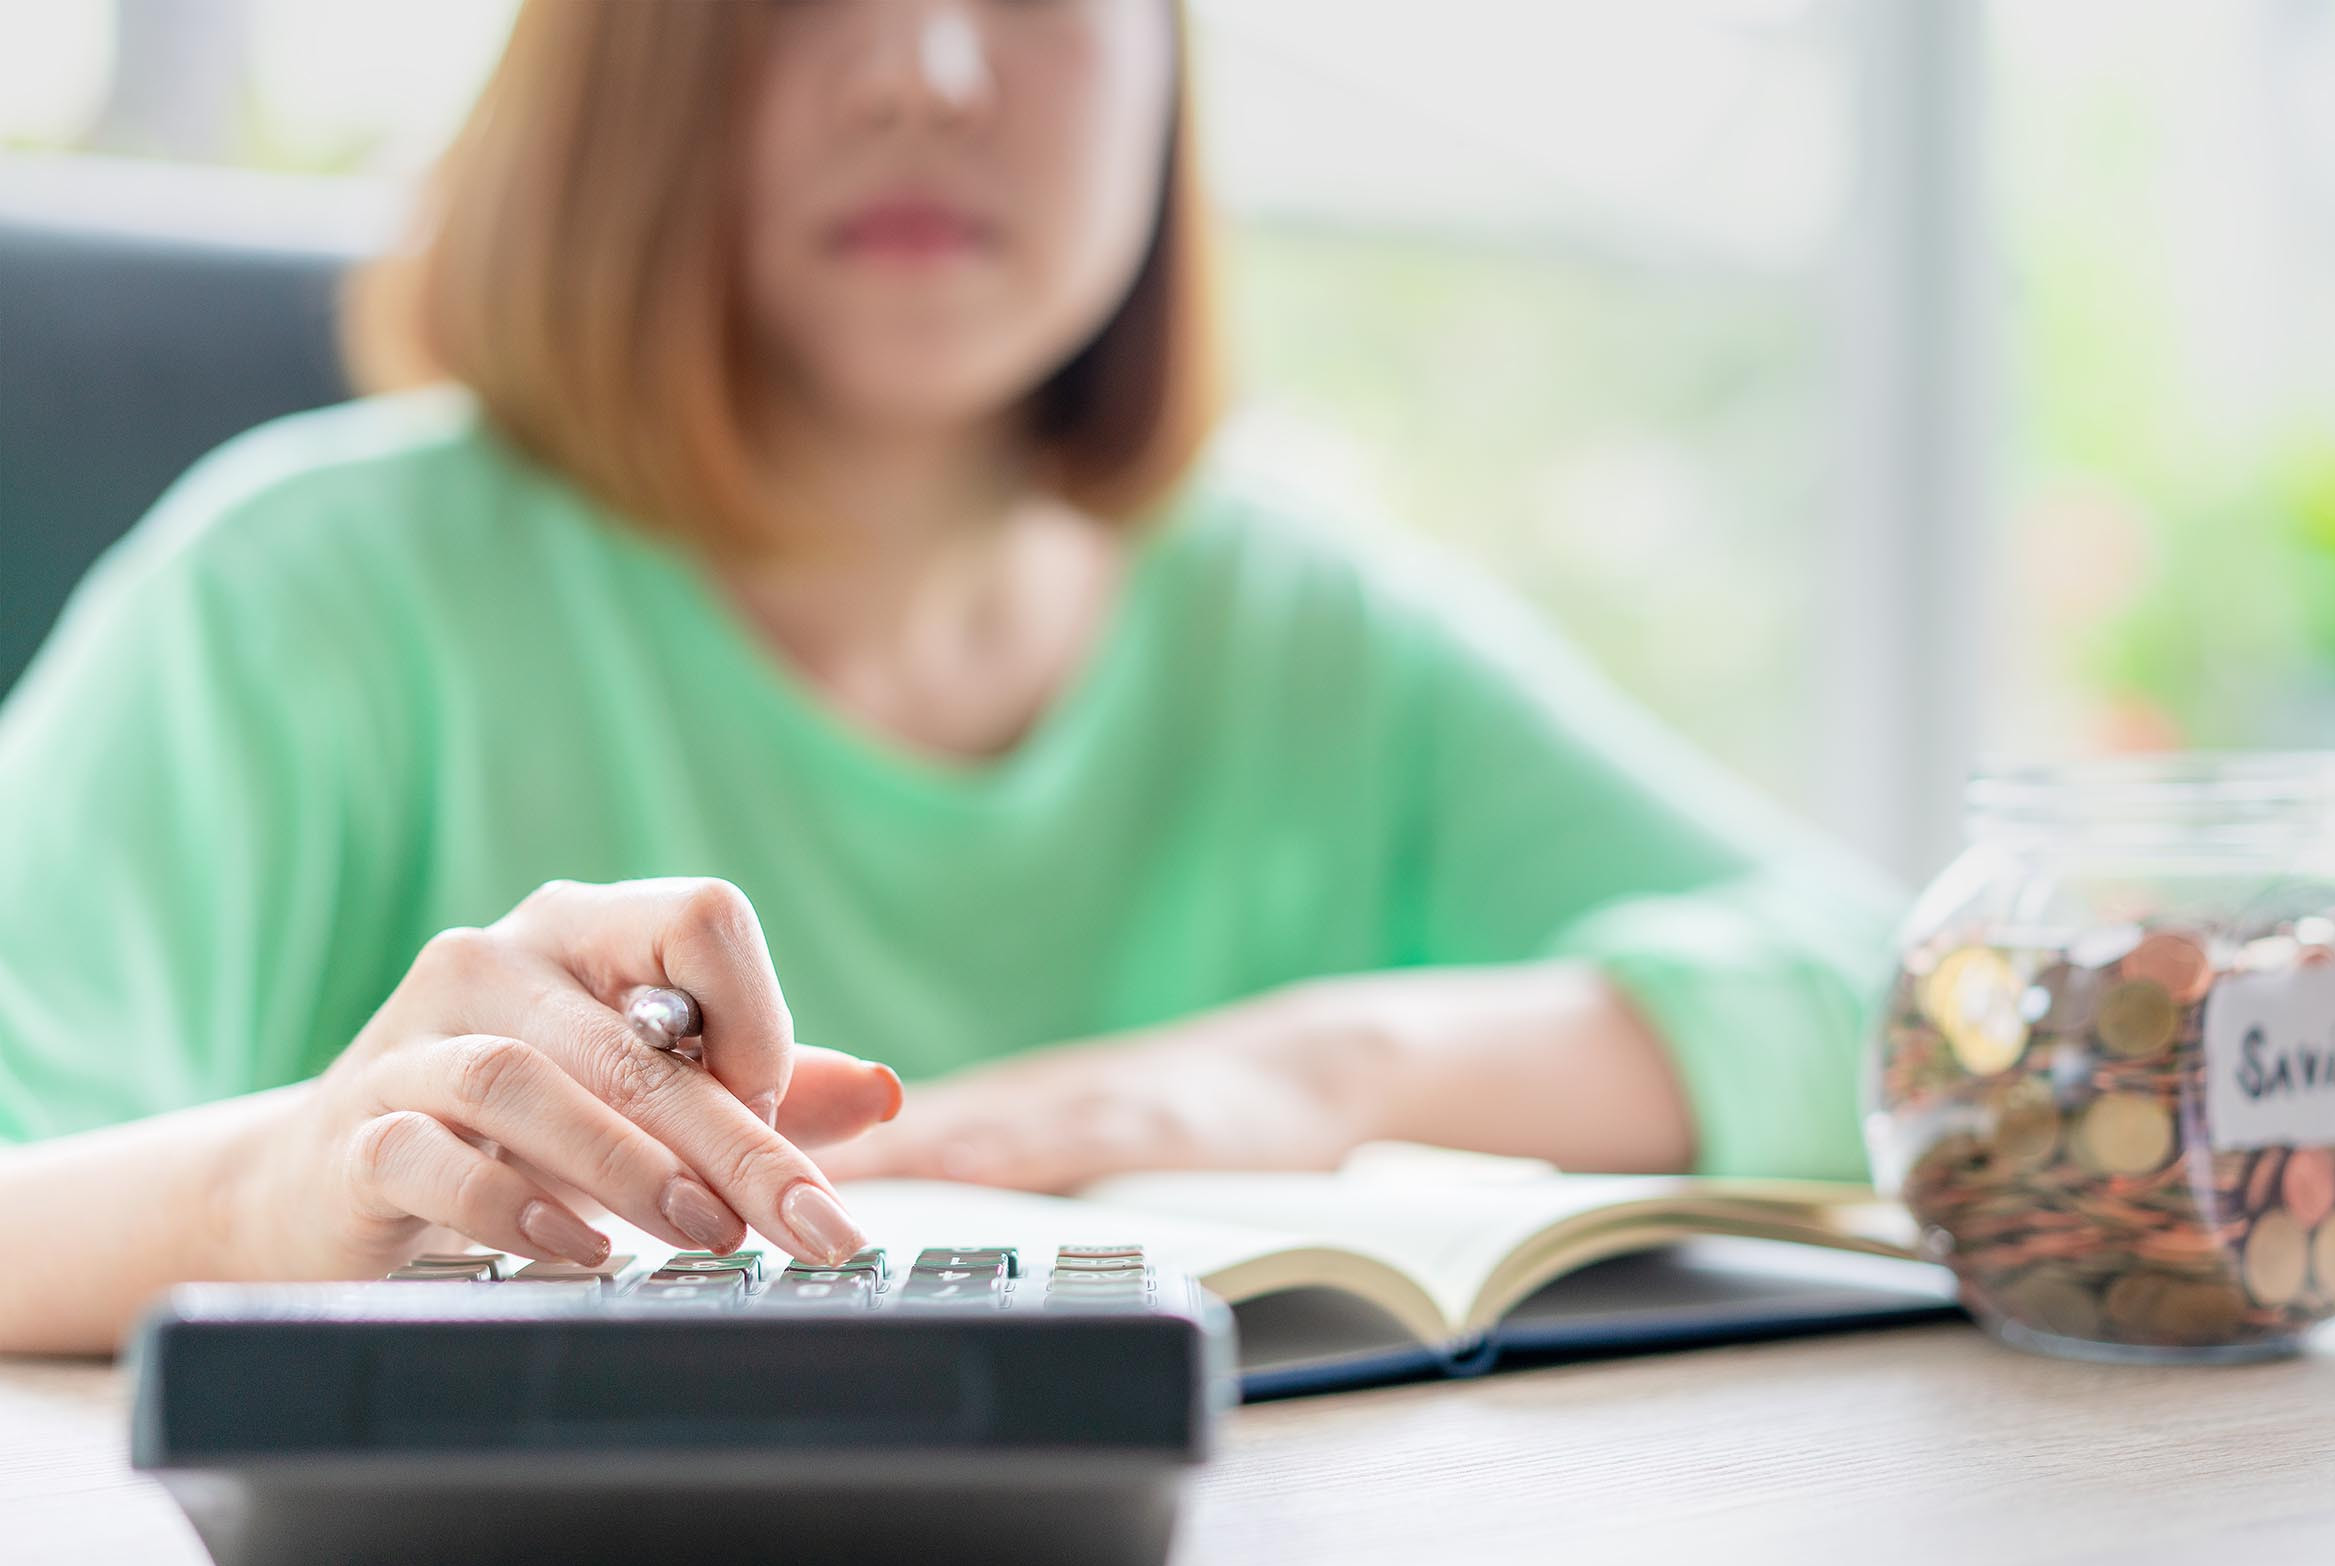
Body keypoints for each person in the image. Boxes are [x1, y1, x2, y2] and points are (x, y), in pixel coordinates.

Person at [0, 0, 1901, 1355]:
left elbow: (1915, 996)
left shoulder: (1306, 630)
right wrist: (291, 1187)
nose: (924, 66)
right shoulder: (298, 605)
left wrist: (1318, 1069)